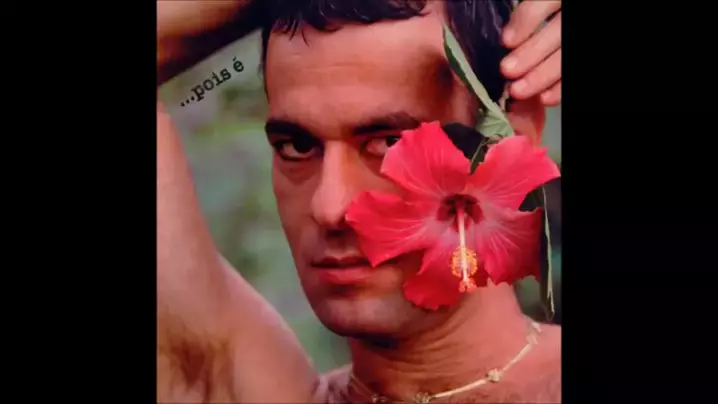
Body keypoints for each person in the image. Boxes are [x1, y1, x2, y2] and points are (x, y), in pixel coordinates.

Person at [157, 0, 562, 402]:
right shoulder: (229, 383)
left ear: (514, 135)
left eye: (389, 143)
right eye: (297, 147)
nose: (329, 208)